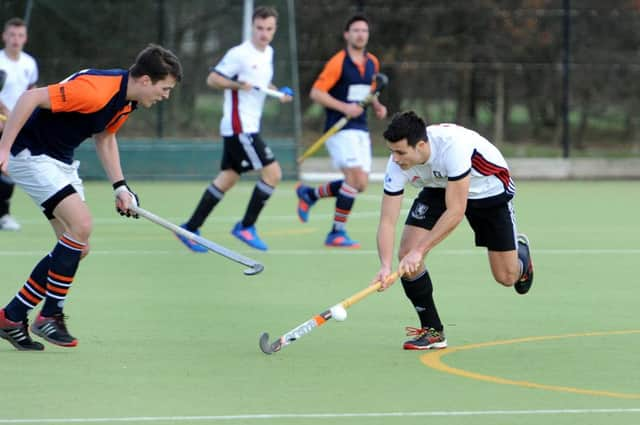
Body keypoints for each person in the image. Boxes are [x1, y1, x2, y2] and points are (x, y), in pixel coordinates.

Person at [0, 44, 182, 351]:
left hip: (60, 159)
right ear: (146, 80)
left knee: (75, 249)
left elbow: (106, 137)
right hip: (30, 152)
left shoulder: (126, 101)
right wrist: (4, 147)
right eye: (165, 88)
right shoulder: (96, 91)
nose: (166, 96)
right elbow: (30, 97)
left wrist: (120, 186)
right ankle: (50, 315)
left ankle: (12, 316)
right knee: (81, 225)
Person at [373, 111, 534, 350]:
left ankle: (522, 259)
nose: (395, 159)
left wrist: (419, 251)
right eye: (392, 151)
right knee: (405, 253)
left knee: (507, 277)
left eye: (400, 152)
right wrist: (385, 265)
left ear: (421, 145)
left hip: (488, 189)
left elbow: (456, 211)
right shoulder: (399, 162)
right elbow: (387, 220)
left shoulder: (453, 148)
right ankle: (433, 330)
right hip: (440, 186)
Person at [176, 6, 292, 253]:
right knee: (273, 174)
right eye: (260, 28)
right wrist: (238, 85)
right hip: (241, 127)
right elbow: (213, 79)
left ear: (274, 30)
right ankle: (246, 227)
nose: (264, 33)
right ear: (253, 27)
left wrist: (277, 92)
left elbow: (261, 83)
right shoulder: (239, 54)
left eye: (269, 29)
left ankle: (189, 229)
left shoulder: (268, 52)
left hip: (245, 126)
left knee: (227, 179)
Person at [296, 14, 387, 248]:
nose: (360, 35)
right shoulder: (338, 62)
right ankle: (336, 233)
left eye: (364, 31)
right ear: (347, 35)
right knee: (353, 178)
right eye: (356, 30)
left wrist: (376, 105)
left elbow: (370, 91)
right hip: (339, 129)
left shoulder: (372, 63)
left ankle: (310, 195)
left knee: (361, 183)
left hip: (360, 129)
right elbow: (316, 93)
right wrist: (345, 107)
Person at [0, 17, 38, 231]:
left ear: (25, 38)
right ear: (4, 36)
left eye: (20, 35)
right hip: (1, 121)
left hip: (16, 125)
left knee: (8, 170)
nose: (16, 39)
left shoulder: (29, 63)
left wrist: (24, 118)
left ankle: (3, 215)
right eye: (12, 34)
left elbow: (32, 92)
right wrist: (5, 112)